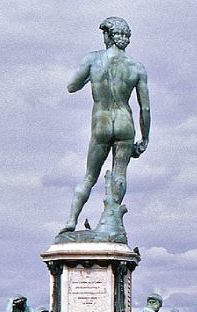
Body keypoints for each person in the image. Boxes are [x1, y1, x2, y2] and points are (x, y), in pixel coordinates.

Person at [61, 16, 150, 234]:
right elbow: (144, 108)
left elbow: (72, 86)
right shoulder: (136, 68)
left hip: (101, 122)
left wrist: (89, 78)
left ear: (107, 36)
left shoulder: (93, 60)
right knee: (120, 171)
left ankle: (72, 220)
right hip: (125, 122)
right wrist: (145, 138)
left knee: (90, 175)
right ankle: (112, 219)